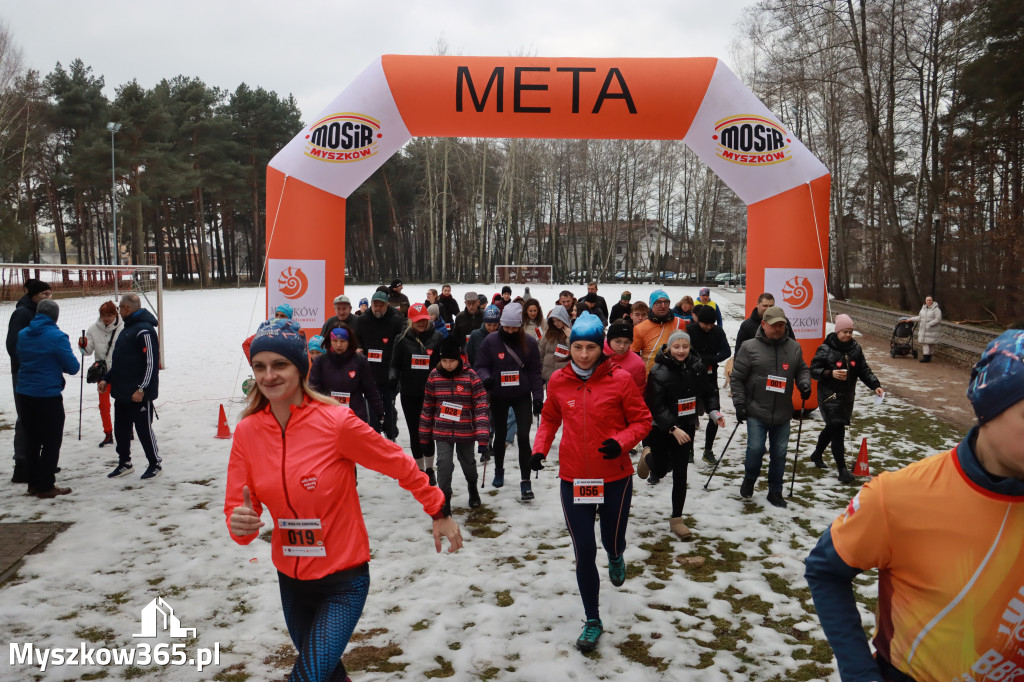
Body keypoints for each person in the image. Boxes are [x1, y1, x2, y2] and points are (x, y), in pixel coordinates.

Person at [225, 318, 462, 682]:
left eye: (280, 365)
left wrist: (437, 507)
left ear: (301, 368)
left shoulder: (335, 422)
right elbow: (240, 512)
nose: (269, 375)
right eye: (260, 366)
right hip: (290, 578)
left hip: (343, 579)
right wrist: (240, 523)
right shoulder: (247, 432)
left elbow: (397, 461)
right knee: (328, 675)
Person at [804, 328, 1024, 682]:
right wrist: (860, 673)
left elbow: (862, 369)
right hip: (909, 672)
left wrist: (872, 383)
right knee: (833, 433)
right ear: (989, 406)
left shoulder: (855, 348)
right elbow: (825, 570)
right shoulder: (897, 496)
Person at [530, 312, 651, 652]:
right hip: (574, 477)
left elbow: (642, 421)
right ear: (570, 348)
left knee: (611, 541)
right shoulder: (558, 381)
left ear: (602, 348)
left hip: (614, 477)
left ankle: (616, 555)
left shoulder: (621, 379)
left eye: (590, 348)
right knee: (584, 550)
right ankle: (593, 619)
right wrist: (540, 449)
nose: (583, 354)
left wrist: (622, 442)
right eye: (578, 347)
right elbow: (550, 418)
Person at [639, 330, 723, 539]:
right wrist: (672, 428)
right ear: (669, 348)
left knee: (680, 472)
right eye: (676, 347)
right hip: (662, 428)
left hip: (685, 426)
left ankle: (677, 519)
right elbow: (655, 405)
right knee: (659, 469)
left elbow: (709, 390)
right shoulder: (658, 371)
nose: (681, 351)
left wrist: (714, 412)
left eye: (685, 346)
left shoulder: (697, 367)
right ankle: (649, 457)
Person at [730, 306, 811, 508]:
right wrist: (739, 404)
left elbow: (801, 369)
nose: (778, 329)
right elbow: (737, 379)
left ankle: (775, 491)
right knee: (756, 449)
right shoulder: (749, 347)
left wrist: (804, 384)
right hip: (757, 410)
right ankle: (750, 478)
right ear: (763, 324)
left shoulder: (793, 347)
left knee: (780, 453)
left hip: (783, 413)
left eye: (782, 325)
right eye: (774, 325)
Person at [473, 302, 543, 497]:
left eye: (515, 327)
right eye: (507, 327)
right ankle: (499, 470)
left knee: (522, 437)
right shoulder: (491, 341)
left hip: (522, 396)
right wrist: (486, 378)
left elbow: (535, 372)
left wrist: (538, 397)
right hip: (499, 395)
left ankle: (525, 479)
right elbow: (480, 365)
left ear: (520, 326)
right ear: (501, 324)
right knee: (501, 434)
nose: (511, 331)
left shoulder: (528, 342)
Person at [808, 314, 883, 484]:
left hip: (847, 397)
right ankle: (842, 470)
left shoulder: (855, 348)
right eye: (844, 332)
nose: (848, 335)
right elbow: (813, 370)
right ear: (837, 331)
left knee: (832, 427)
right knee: (838, 429)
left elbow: (863, 370)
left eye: (850, 331)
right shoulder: (825, 349)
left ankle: (817, 454)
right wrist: (830, 373)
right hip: (829, 396)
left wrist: (875, 385)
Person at [16, 299, 80, 498]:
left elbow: (22, 357)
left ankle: (33, 483)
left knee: (32, 440)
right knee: (52, 441)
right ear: (55, 316)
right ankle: (46, 485)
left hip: (24, 394)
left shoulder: (23, 334)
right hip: (47, 395)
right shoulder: (57, 336)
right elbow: (73, 367)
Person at [419, 335, 489, 514]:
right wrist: (424, 435)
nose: (448, 364)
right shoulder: (434, 377)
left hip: (466, 430)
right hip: (441, 430)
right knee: (444, 464)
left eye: (452, 361)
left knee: (468, 463)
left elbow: (481, 407)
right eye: (444, 360)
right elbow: (428, 407)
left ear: (459, 359)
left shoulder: (471, 377)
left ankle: (472, 486)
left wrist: (482, 439)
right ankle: (444, 498)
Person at [99, 293, 162, 480]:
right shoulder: (126, 330)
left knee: (143, 429)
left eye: (119, 308)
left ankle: (155, 463)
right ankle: (124, 462)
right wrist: (107, 378)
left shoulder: (145, 330)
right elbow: (119, 362)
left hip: (139, 394)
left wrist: (141, 388)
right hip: (122, 391)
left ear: (126, 309)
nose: (118, 311)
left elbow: (151, 363)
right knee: (121, 429)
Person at [390, 303, 443, 482]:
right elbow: (395, 364)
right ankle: (420, 470)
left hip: (430, 393)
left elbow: (443, 363)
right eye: (418, 320)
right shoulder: (401, 339)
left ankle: (430, 468)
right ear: (411, 321)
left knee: (427, 431)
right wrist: (392, 377)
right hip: (409, 392)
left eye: (424, 320)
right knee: (415, 432)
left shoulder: (438, 337)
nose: (421, 323)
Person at [6, 278, 52, 483]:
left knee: (39, 419)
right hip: (24, 373)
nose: (48, 298)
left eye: (50, 294)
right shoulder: (22, 313)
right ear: (33, 294)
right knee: (25, 419)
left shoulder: (39, 312)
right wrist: (28, 364)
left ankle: (37, 462)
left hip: (38, 373)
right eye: (44, 294)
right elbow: (13, 345)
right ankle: (22, 465)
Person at [309, 325, 383, 428]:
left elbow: (370, 389)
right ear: (330, 341)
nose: (338, 345)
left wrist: (380, 413)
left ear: (349, 342)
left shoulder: (360, 360)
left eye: (343, 341)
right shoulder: (320, 361)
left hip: (355, 416)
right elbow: (313, 390)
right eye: (335, 341)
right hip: (328, 417)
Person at [355, 290, 404, 440]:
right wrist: (359, 348)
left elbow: (401, 342)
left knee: (388, 407)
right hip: (370, 372)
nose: (377, 308)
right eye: (375, 305)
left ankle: (390, 435)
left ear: (387, 305)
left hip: (389, 371)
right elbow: (357, 339)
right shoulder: (363, 320)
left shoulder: (396, 320)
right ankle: (375, 437)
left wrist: (396, 369)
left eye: (381, 305)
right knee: (372, 407)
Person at [686, 305, 732, 465]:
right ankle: (689, 450)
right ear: (699, 321)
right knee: (690, 417)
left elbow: (727, 351)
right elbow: (685, 350)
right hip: (692, 377)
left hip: (710, 377)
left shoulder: (718, 331)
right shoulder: (690, 330)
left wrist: (712, 359)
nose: (708, 327)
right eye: (706, 324)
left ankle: (708, 450)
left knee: (715, 414)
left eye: (711, 324)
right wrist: (697, 361)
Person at [78, 301, 123, 447]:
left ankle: (126, 430)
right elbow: (87, 352)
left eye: (109, 315)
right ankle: (108, 433)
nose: (107, 318)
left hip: (120, 371)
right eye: (104, 315)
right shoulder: (93, 329)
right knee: (104, 405)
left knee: (124, 403)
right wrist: (83, 345)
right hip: (103, 374)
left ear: (115, 314)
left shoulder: (124, 327)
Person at [631, 290, 688, 375]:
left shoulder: (680, 323)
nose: (663, 306)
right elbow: (634, 357)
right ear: (651, 305)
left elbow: (686, 349)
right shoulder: (639, 328)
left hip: (676, 375)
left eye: (666, 302)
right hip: (650, 377)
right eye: (658, 303)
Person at [604, 319, 645, 389]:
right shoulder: (596, 355)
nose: (622, 346)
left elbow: (639, 390)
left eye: (626, 342)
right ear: (609, 340)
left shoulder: (637, 363)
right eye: (617, 341)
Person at [539, 305, 573, 383]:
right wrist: (540, 372)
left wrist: (570, 337)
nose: (556, 323)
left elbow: (575, 353)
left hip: (565, 377)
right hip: (549, 376)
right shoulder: (548, 335)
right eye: (553, 321)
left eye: (558, 320)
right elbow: (541, 354)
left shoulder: (572, 333)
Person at [906, 295, 942, 363]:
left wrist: (930, 324)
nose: (929, 301)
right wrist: (911, 319)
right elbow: (920, 317)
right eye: (927, 300)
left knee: (931, 344)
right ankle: (925, 357)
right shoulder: (923, 309)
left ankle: (929, 357)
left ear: (932, 301)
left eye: (930, 300)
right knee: (925, 344)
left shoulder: (936, 309)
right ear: (925, 301)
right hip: (924, 330)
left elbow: (938, 319)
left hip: (932, 330)